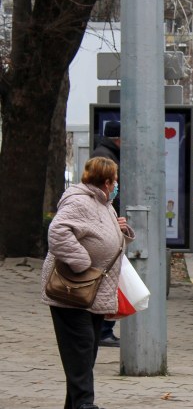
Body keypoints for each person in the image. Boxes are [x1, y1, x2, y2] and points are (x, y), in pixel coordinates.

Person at [40, 156, 135, 409]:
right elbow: (57, 232)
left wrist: (119, 231)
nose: (116, 185)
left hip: (93, 292)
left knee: (84, 354)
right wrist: (81, 262)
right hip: (72, 290)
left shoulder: (104, 203)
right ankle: (85, 405)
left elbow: (99, 237)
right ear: (105, 181)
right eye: (114, 180)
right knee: (81, 351)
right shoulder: (79, 201)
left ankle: (77, 405)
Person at [91, 120, 122, 347]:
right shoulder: (105, 157)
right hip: (106, 225)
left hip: (108, 222)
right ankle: (103, 330)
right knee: (107, 279)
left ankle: (101, 329)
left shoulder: (104, 152)